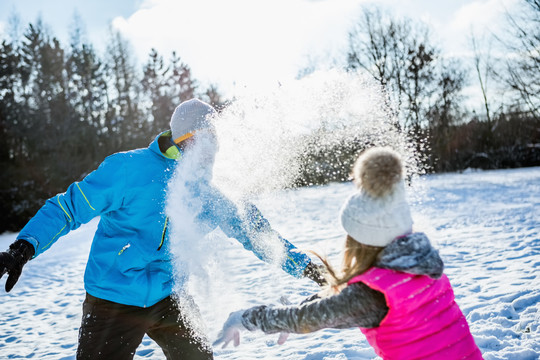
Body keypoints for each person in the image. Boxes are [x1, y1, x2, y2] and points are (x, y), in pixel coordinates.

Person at [0, 98, 325, 360]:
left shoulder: (210, 193)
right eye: (201, 141)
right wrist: (23, 248)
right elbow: (67, 208)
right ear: (182, 140)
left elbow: (256, 233)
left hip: (170, 295)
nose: (209, 151)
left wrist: (306, 266)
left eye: (214, 142)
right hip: (113, 297)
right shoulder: (128, 169)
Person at [214, 147, 483, 360]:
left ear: (359, 240)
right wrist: (299, 308)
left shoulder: (370, 296)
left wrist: (244, 319)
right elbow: (337, 302)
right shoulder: (423, 265)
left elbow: (306, 318)